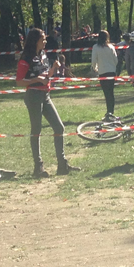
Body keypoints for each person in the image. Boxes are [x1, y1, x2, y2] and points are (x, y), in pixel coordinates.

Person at [15, 28, 80, 178]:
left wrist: (53, 69)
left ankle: (62, 165)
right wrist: (36, 80)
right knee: (36, 130)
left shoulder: (43, 55)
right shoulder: (26, 58)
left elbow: (45, 76)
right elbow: (19, 81)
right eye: (42, 39)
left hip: (46, 95)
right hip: (33, 96)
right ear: (35, 41)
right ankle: (38, 167)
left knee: (59, 127)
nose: (45, 41)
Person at [91, 30, 119, 119]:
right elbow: (116, 60)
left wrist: (95, 68)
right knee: (111, 92)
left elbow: (94, 60)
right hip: (111, 71)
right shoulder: (111, 47)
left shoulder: (96, 47)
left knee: (106, 93)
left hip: (102, 72)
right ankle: (111, 111)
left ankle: (109, 111)